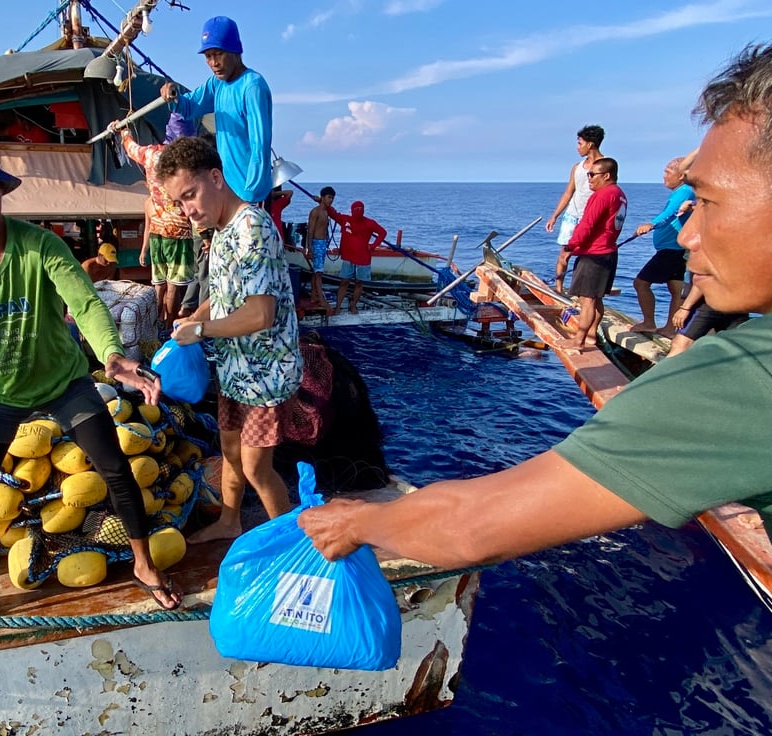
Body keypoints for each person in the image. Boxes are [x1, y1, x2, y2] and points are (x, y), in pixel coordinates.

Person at [299, 43, 772, 591]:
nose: (687, 234)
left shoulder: (741, 381)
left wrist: (358, 520)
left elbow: (475, 526)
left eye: (708, 203)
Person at [0, 134, 181, 640]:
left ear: (3, 191)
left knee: (114, 466)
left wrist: (112, 356)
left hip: (64, 381)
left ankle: (142, 564)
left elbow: (86, 302)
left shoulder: (39, 245)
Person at [154, 136, 303, 544]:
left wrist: (200, 331)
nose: (188, 210)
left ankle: (291, 544)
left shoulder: (252, 228)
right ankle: (229, 522)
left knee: (257, 468)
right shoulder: (220, 231)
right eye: (180, 203)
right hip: (236, 369)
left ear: (215, 177)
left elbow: (260, 313)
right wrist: (193, 318)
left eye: (190, 195)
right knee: (231, 454)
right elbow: (222, 300)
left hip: (265, 375)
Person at [160, 16, 273, 205]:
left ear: (236, 50)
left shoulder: (253, 86)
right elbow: (188, 108)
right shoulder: (216, 84)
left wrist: (250, 196)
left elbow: (260, 146)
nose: (213, 62)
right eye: (208, 56)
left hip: (251, 194)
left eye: (218, 53)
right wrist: (173, 94)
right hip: (227, 191)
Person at [114, 113, 196, 328]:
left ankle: (152, 326)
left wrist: (124, 132)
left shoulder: (151, 154)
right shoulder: (190, 162)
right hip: (179, 234)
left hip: (158, 231)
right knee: (173, 287)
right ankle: (168, 328)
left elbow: (131, 149)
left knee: (159, 285)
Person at [565, 157, 627, 349]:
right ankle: (591, 336)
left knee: (587, 300)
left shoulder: (602, 195)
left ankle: (579, 340)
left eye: (592, 174)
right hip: (608, 252)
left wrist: (570, 246)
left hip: (595, 254)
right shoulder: (619, 194)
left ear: (606, 175)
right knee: (596, 297)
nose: (589, 178)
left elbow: (587, 224)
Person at [629, 158, 694, 337]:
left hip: (672, 249)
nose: (663, 176)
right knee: (676, 288)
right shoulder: (682, 191)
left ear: (681, 176)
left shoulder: (685, 191)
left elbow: (670, 213)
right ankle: (671, 329)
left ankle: (649, 322)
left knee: (641, 283)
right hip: (676, 249)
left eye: (667, 172)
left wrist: (651, 224)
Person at [545, 125, 606, 292]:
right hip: (572, 215)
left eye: (580, 143)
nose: (578, 147)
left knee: (587, 257)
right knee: (564, 255)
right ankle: (559, 289)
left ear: (591, 144)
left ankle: (580, 291)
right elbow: (568, 193)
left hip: (591, 217)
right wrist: (554, 216)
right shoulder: (577, 167)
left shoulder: (606, 166)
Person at [327, 200, 387, 315]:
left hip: (363, 258)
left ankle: (353, 305)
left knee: (359, 283)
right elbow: (333, 213)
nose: (359, 211)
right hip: (348, 257)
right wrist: (322, 201)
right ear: (352, 210)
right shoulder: (345, 219)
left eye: (361, 209)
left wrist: (373, 246)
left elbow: (383, 233)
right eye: (356, 209)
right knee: (344, 282)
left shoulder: (370, 223)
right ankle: (338, 306)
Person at [304, 186, 336, 310]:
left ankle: (314, 295)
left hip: (323, 244)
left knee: (316, 272)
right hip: (316, 244)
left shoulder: (326, 211)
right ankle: (322, 300)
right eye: (329, 197)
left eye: (332, 198)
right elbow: (310, 231)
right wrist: (309, 248)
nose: (331, 200)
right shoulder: (315, 212)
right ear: (323, 197)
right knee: (318, 274)